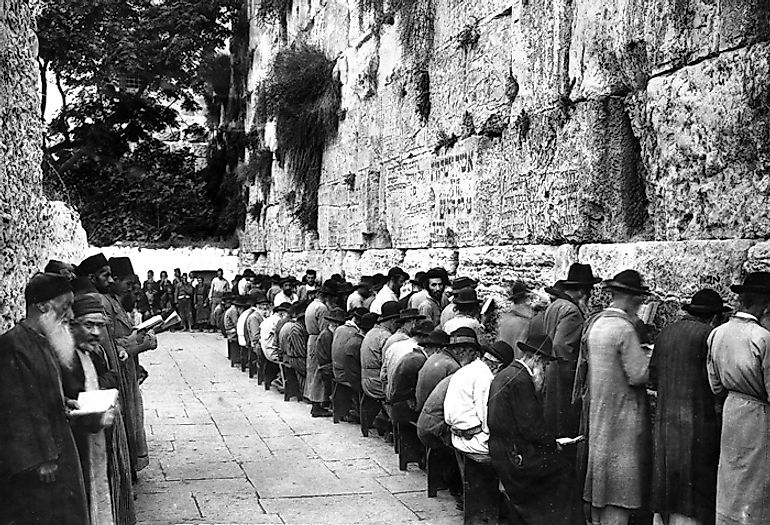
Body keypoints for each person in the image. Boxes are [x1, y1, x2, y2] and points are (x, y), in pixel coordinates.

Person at [0, 273, 89, 525]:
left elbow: (38, 394)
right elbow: (14, 409)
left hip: (58, 450)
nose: (70, 315)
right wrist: (42, 458)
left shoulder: (42, 340)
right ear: (42, 305)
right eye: (65, 306)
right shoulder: (12, 345)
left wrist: (62, 402)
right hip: (40, 462)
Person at [651, 289, 728, 525]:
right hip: (697, 421)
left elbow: (652, 377)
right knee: (693, 488)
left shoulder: (666, 332)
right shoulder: (709, 335)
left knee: (666, 481)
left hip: (665, 420)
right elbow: (717, 383)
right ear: (715, 317)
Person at [488, 332, 583, 525]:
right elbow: (531, 428)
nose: (546, 369)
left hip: (502, 449)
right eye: (546, 364)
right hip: (513, 457)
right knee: (564, 470)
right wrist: (553, 444)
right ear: (537, 359)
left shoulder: (507, 373)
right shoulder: (521, 380)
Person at [582, 270, 651, 525]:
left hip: (600, 414)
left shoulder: (597, 324)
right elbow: (638, 375)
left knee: (600, 481)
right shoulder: (624, 329)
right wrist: (647, 358)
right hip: (622, 419)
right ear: (631, 299)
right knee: (620, 487)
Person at [707, 272, 770, 525]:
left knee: (731, 477)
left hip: (732, 410)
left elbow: (714, 384)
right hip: (758, 415)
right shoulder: (762, 338)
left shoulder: (718, 333)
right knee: (756, 481)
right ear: (765, 306)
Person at [68, 293, 136, 525]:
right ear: (70, 324)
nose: (96, 333)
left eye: (101, 326)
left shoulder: (89, 354)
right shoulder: (63, 360)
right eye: (89, 325)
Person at [105, 257, 155, 473]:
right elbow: (114, 345)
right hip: (120, 370)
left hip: (128, 369)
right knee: (127, 417)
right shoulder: (106, 304)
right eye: (127, 285)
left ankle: (133, 463)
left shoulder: (116, 302)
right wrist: (142, 344)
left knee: (134, 416)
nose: (130, 291)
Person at [541, 263, 601, 438]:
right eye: (589, 290)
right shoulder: (572, 311)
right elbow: (561, 345)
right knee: (563, 421)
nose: (589, 295)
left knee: (552, 417)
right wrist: (574, 376)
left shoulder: (555, 305)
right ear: (582, 291)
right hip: (562, 374)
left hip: (551, 369)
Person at [444, 340, 513, 457]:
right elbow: (486, 417)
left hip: (456, 435)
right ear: (498, 367)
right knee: (509, 450)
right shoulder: (485, 377)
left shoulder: (467, 369)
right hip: (472, 441)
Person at [360, 301, 401, 435]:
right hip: (376, 382)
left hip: (366, 379)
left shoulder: (372, 332)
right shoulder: (385, 336)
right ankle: (396, 430)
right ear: (393, 321)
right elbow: (387, 364)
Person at [416, 327, 481, 411]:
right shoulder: (452, 367)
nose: (473, 358)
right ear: (462, 351)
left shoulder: (435, 357)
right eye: (472, 352)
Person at [305, 280, 339, 414]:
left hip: (311, 338)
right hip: (318, 339)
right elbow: (325, 329)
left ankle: (313, 399)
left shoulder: (312, 305)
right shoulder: (322, 308)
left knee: (312, 370)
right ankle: (317, 405)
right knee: (319, 372)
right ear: (327, 297)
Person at [382, 317, 432, 401]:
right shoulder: (419, 352)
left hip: (390, 394)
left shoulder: (395, 346)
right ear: (424, 337)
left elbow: (383, 374)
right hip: (406, 400)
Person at [331, 308, 367, 421]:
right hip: (345, 373)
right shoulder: (354, 332)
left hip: (336, 370)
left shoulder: (339, 329)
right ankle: (359, 412)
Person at [313, 308, 345, 417]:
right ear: (334, 324)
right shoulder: (327, 336)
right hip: (325, 366)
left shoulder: (328, 333)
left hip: (324, 365)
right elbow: (330, 355)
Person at [498, 281, 533, 357]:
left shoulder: (504, 318)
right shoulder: (527, 321)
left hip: (504, 360)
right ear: (525, 298)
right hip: (518, 361)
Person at [261, 301, 290, 388]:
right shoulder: (278, 321)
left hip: (265, 349)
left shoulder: (267, 320)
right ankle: (281, 380)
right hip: (273, 353)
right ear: (282, 313)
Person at [286, 302, 310, 392]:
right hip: (296, 358)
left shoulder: (301, 328)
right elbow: (300, 350)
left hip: (298, 357)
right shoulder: (296, 329)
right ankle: (306, 393)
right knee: (311, 370)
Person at [225, 295, 247, 367]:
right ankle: (241, 359)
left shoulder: (232, 309)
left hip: (230, 329)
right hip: (231, 331)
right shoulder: (233, 311)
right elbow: (236, 323)